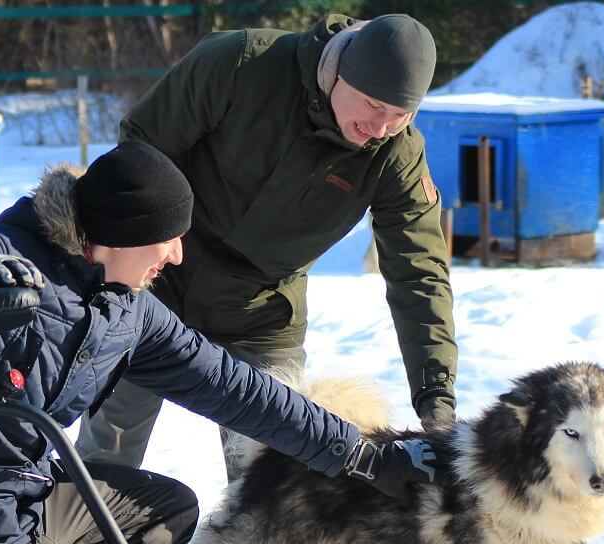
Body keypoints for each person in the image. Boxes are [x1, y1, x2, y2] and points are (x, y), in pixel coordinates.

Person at [0, 140, 436, 544]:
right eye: (170, 238)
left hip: (30, 499)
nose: (178, 255)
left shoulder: (125, 310)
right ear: (124, 234)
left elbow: (234, 388)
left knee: (165, 513)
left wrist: (358, 455)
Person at [76, 13, 457, 479]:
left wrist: (436, 397)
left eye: (400, 115)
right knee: (109, 445)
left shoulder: (396, 154)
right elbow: (141, 150)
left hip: (261, 309)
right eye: (373, 105)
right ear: (341, 72)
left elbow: (420, 273)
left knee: (270, 475)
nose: (379, 127)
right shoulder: (241, 64)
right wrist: (144, 248)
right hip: (160, 277)